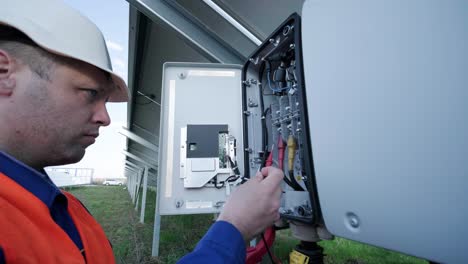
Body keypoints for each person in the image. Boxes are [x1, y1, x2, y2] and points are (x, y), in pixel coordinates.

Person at [0, 0, 284, 263]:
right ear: (4, 72)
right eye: (89, 92)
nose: (105, 118)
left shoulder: (63, 207)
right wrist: (234, 228)